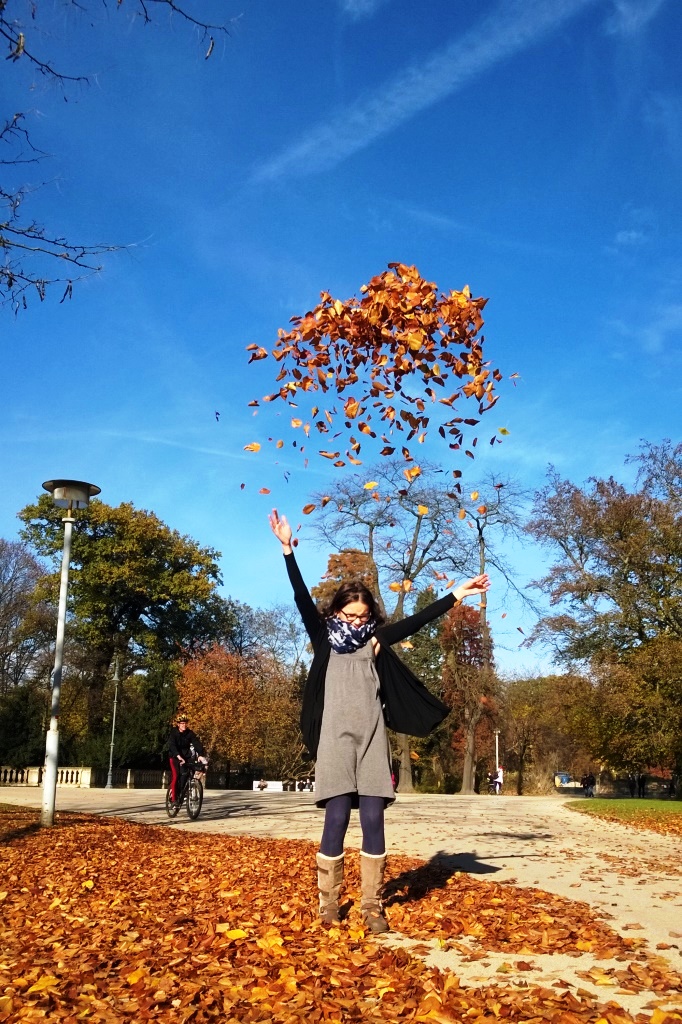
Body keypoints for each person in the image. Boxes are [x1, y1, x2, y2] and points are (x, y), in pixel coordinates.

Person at [269, 508, 490, 932]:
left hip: (371, 742)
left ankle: (372, 904)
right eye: (348, 615)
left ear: (370, 617)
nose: (354, 622)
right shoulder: (324, 641)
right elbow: (300, 597)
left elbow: (417, 621)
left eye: (361, 617)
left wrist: (457, 594)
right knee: (335, 818)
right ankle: (328, 902)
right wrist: (286, 550)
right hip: (334, 742)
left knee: (373, 819)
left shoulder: (374, 642)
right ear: (336, 613)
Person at [168, 714, 208, 804]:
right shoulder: (174, 733)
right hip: (175, 757)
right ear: (178, 724)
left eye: (185, 723)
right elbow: (172, 745)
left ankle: (183, 791)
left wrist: (200, 755)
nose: (184, 725)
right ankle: (174, 799)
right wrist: (178, 756)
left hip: (186, 757)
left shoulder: (190, 733)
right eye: (182, 723)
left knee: (186, 774)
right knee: (176, 776)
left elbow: (197, 743)